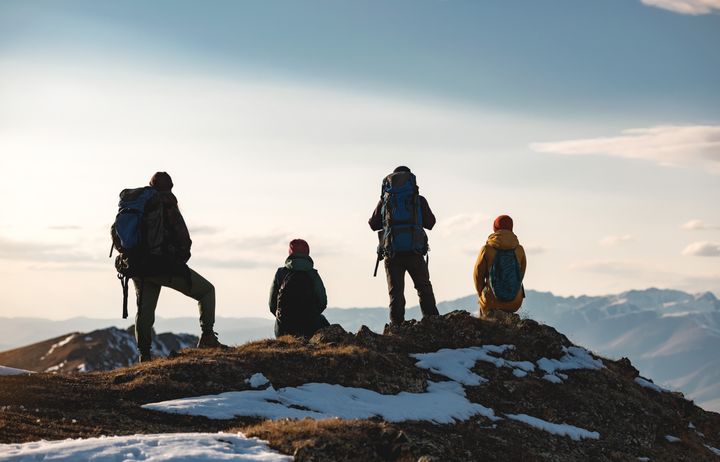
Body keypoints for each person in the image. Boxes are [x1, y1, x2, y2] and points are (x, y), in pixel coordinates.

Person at [129, 172, 224, 362]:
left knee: (145, 310)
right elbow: (183, 238)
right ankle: (207, 337)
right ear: (170, 186)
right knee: (206, 291)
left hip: (138, 266)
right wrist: (179, 260)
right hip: (164, 266)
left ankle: (144, 356)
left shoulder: (137, 204)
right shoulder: (167, 202)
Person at [369, 166, 439, 324]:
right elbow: (431, 223)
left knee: (396, 293)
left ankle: (397, 327)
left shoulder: (386, 200)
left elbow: (373, 224)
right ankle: (433, 323)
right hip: (415, 252)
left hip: (392, 254)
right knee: (423, 288)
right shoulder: (418, 200)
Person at [269, 239, 330, 338]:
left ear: (290, 253)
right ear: (307, 253)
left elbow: (272, 305)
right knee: (324, 322)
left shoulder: (280, 273)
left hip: (285, 328)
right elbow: (322, 302)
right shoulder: (313, 274)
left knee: (278, 322)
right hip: (310, 327)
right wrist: (312, 316)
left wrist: (283, 318)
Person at [473, 215, 527, 318]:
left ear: (495, 228)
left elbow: (477, 276)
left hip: (491, 301)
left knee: (483, 305)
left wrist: (481, 294)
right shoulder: (519, 250)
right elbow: (520, 276)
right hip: (515, 301)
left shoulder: (486, 249)